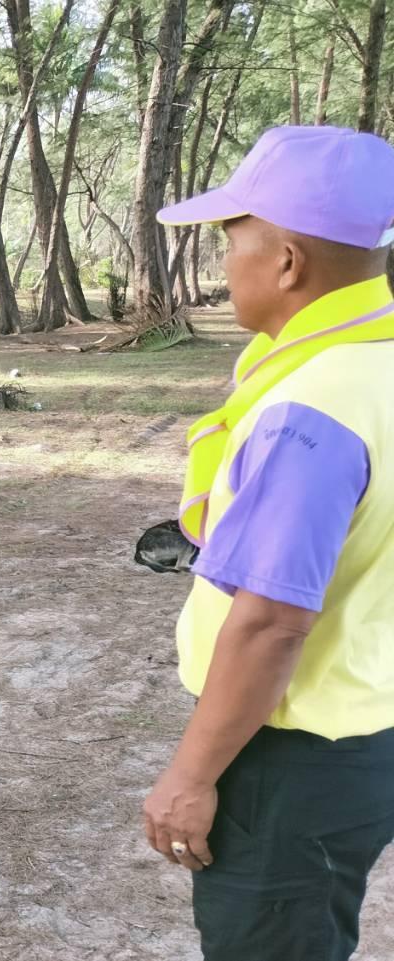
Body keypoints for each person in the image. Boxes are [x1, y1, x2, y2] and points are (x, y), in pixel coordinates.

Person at [142, 125, 394, 960]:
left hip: (292, 759)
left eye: (230, 240)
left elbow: (271, 622)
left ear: (286, 261)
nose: (224, 264)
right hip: (361, 728)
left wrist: (190, 775)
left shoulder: (310, 409)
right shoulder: (372, 365)